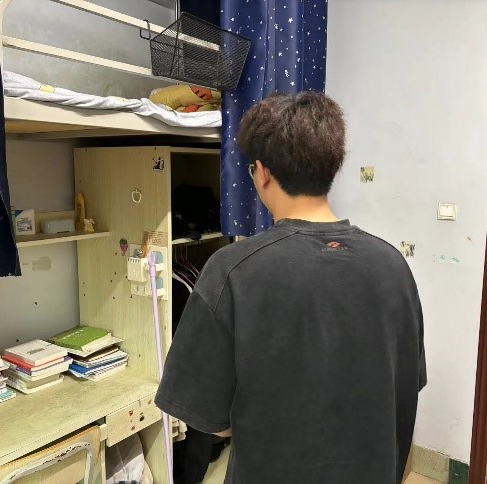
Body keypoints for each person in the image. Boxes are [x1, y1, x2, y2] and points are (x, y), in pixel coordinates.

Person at [155, 91, 427, 484]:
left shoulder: (232, 271)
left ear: (262, 173)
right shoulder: (394, 266)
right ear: (334, 165)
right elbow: (406, 385)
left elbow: (211, 420)